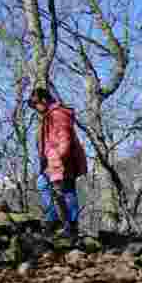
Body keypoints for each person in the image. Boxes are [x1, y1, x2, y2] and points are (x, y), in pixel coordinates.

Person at [30, 86, 86, 243]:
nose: (35, 108)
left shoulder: (58, 114)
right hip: (50, 161)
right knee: (43, 184)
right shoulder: (48, 116)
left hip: (63, 161)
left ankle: (72, 227)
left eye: (36, 104)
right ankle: (52, 220)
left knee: (67, 191)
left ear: (44, 100)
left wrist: (58, 157)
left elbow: (64, 139)